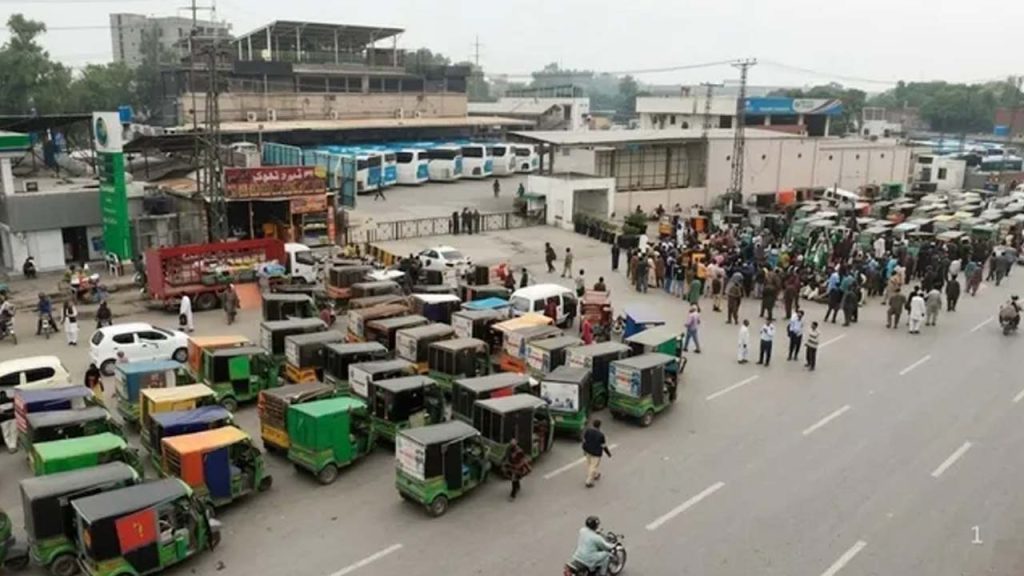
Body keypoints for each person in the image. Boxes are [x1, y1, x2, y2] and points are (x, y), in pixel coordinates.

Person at [582, 419, 611, 487]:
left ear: (593, 424)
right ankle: (588, 482)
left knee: (589, 464)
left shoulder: (588, 431)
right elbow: (603, 445)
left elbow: (584, 441)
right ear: (599, 426)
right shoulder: (601, 435)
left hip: (588, 451)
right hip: (596, 453)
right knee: (593, 466)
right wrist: (608, 453)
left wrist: (584, 450)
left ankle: (595, 474)